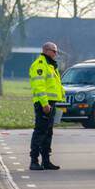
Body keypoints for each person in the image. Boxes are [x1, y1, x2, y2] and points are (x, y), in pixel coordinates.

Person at [29, 41, 65, 170]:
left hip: (51, 103)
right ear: (46, 50)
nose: (56, 54)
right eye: (54, 51)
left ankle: (46, 160)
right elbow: (39, 86)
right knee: (40, 131)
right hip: (44, 103)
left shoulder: (51, 65)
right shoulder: (40, 65)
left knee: (48, 132)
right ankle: (34, 161)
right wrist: (45, 103)